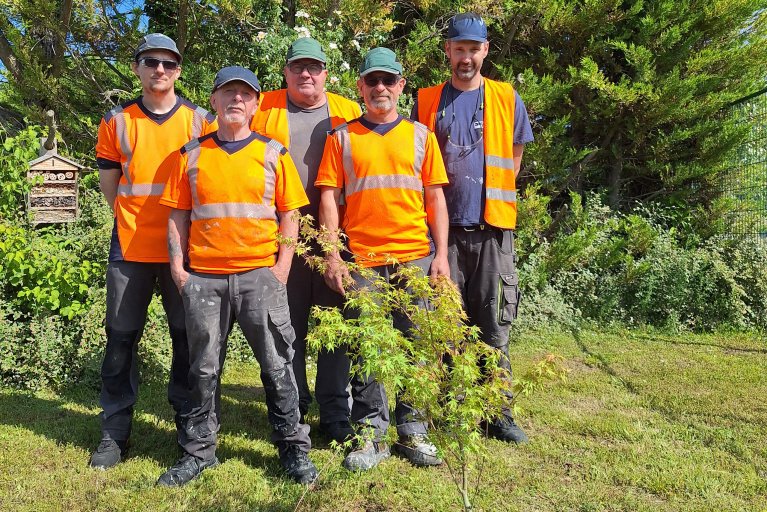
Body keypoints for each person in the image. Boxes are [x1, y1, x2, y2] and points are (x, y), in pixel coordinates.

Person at [158, 66, 318, 486]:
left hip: (259, 277)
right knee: (203, 369)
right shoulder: (191, 153)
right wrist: (179, 271)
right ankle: (199, 452)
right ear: (212, 101)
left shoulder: (273, 153)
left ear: (256, 103)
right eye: (227, 93)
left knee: (277, 364)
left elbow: (290, 214)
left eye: (245, 94)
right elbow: (177, 214)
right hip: (205, 280)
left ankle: (292, 449)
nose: (236, 100)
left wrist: (281, 268)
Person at [316, 47, 450, 471]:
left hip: (415, 257)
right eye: (371, 81)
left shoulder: (420, 136)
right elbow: (329, 200)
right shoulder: (342, 137)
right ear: (359, 87)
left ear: (401, 87)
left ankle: (414, 431)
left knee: (418, 347)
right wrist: (334, 255)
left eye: (388, 80)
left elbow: (435, 198)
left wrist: (442, 255)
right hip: (363, 261)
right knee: (369, 348)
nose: (380, 88)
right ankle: (371, 435)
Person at [91, 33, 216, 469]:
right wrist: (131, 221)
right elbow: (111, 184)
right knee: (121, 339)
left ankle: (190, 423)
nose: (159, 69)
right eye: (150, 62)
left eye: (167, 63)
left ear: (178, 69)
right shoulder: (117, 121)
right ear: (138, 68)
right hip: (131, 247)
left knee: (188, 339)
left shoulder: (201, 120)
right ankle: (114, 431)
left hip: (188, 249)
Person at [412, 13, 535, 444]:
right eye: (458, 48)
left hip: (492, 232)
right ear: (447, 50)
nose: (466, 57)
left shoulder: (505, 97)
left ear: (485, 51)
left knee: (493, 324)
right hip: (439, 234)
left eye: (473, 49)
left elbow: (514, 159)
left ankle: (497, 412)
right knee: (444, 324)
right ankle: (448, 408)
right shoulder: (426, 99)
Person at [251, 37, 362, 443]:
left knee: (334, 325)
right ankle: (293, 407)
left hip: (337, 236)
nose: (306, 74)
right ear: (286, 72)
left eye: (313, 67)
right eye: (298, 67)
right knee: (287, 324)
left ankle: (336, 412)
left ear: (325, 74)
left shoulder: (348, 110)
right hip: (283, 236)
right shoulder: (264, 108)